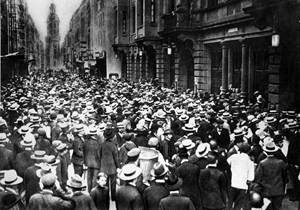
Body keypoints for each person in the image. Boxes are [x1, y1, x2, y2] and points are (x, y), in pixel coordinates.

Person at [254, 140, 288, 210]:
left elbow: (258, 177)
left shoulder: (262, 163)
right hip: (278, 190)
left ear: (265, 151)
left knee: (267, 208)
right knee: (277, 207)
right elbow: (285, 176)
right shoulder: (280, 162)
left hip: (266, 191)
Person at [227, 142, 254, 210]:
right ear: (248, 151)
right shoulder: (249, 162)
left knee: (229, 204)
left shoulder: (233, 157)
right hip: (242, 186)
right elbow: (251, 178)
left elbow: (226, 163)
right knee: (239, 206)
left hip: (232, 184)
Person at [99, 128, 120, 201]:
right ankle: (113, 197)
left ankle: (106, 197)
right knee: (113, 183)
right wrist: (118, 166)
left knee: (105, 183)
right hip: (112, 167)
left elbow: (99, 156)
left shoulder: (102, 145)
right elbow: (116, 157)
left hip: (104, 167)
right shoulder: (113, 145)